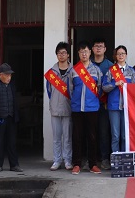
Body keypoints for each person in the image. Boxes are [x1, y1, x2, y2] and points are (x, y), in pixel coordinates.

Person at [71, 42, 103, 175]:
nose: (84, 54)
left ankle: (92, 164)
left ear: (90, 52)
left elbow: (100, 88)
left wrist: (93, 100)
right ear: (78, 54)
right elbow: (70, 89)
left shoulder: (96, 70)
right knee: (77, 137)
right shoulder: (73, 70)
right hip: (77, 108)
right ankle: (76, 164)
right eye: (81, 52)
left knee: (92, 137)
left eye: (86, 51)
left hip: (92, 108)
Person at [102, 45, 135, 153]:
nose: (121, 56)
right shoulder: (111, 70)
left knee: (124, 135)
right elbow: (104, 87)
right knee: (115, 135)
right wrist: (115, 84)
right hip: (114, 106)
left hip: (127, 107)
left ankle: (124, 157)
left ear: (126, 55)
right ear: (116, 56)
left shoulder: (131, 71)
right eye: (118, 54)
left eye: (123, 54)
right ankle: (116, 158)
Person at [46, 42, 74, 171]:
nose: (61, 55)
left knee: (67, 137)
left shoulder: (74, 71)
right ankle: (57, 160)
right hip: (55, 108)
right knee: (56, 137)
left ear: (68, 55)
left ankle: (68, 160)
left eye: (64, 53)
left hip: (68, 108)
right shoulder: (51, 73)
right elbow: (49, 91)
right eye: (59, 53)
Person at [92, 39, 113, 169]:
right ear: (92, 49)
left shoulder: (111, 66)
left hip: (104, 104)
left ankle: (105, 158)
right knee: (90, 132)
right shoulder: (86, 65)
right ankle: (91, 159)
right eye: (96, 46)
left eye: (101, 46)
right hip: (89, 104)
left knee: (104, 132)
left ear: (105, 49)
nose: (98, 48)